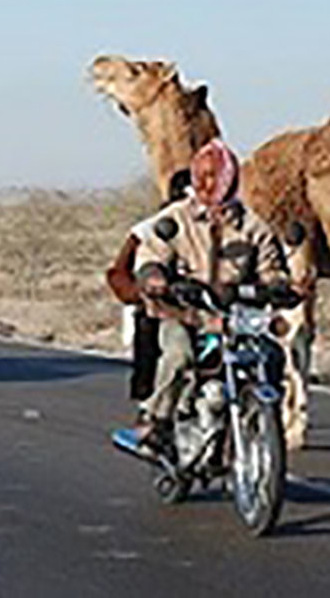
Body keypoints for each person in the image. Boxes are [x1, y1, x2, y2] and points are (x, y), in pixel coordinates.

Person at [131, 139, 296, 454]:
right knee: (179, 356)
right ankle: (159, 420)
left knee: (271, 355)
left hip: (235, 317)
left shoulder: (253, 227)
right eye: (202, 175)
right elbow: (150, 254)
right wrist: (154, 276)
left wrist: (280, 285)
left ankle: (264, 421)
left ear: (232, 180)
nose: (208, 184)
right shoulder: (176, 219)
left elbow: (270, 267)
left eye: (216, 176)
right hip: (185, 312)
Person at [106, 170, 192, 417]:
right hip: (169, 311)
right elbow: (120, 273)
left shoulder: (229, 228)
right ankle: (157, 415)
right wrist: (144, 290)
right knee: (178, 355)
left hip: (214, 311)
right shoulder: (150, 231)